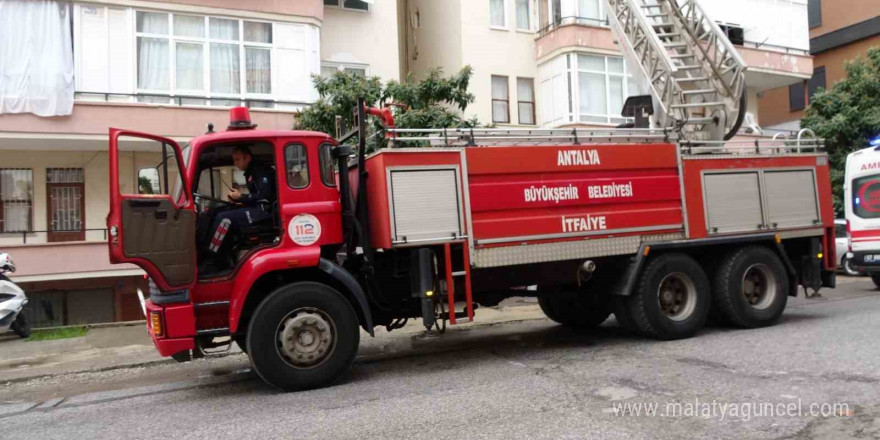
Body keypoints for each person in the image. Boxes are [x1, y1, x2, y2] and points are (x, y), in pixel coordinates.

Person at [200, 146, 276, 271]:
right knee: (215, 212)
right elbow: (255, 197)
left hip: (264, 212)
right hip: (257, 208)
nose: (235, 163)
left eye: (237, 159)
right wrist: (238, 199)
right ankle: (220, 254)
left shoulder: (261, 170)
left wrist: (241, 196)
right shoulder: (251, 171)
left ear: (247, 158)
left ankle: (212, 259)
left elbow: (265, 196)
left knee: (223, 218)